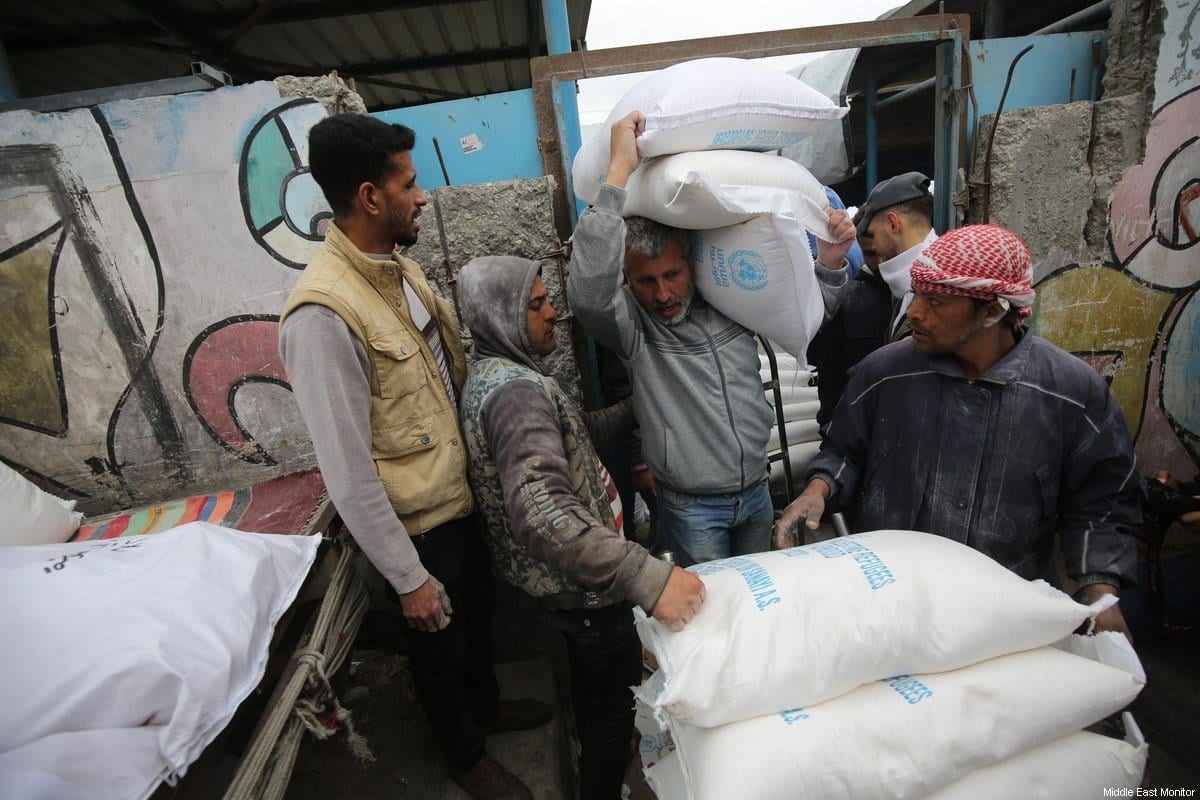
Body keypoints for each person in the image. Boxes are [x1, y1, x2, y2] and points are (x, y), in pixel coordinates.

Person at [278, 114, 547, 800]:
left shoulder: (398, 271)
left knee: (477, 617)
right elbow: (346, 468)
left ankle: (485, 712)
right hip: (418, 528)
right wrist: (407, 577)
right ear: (371, 197)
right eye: (409, 182)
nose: (422, 196)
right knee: (438, 644)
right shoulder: (323, 316)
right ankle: (463, 755)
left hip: (457, 499)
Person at [776, 224, 1140, 638]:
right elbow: (845, 450)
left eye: (935, 301)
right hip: (889, 598)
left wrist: (1100, 591)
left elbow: (1102, 503)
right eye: (916, 295)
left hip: (1009, 606)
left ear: (992, 311)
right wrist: (817, 489)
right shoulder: (883, 372)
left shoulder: (1070, 392)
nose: (914, 312)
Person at [456, 255, 706, 800]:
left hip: (568, 594)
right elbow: (542, 513)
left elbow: (573, 433)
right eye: (536, 304)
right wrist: (646, 577)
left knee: (596, 700)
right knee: (611, 711)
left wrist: (637, 406)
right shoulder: (515, 395)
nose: (554, 313)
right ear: (501, 316)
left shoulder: (504, 377)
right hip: (586, 596)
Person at [567, 110, 857, 567]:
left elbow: (803, 317)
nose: (662, 294)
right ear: (626, 279)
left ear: (692, 264)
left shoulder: (728, 301)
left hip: (757, 492)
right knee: (716, 612)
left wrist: (831, 261)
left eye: (672, 275)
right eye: (645, 281)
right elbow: (586, 293)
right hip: (691, 508)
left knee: (760, 600)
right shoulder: (635, 330)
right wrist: (619, 171)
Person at [808, 172, 937, 427]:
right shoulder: (903, 290)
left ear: (893, 224)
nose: (875, 255)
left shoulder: (937, 292)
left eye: (874, 237)